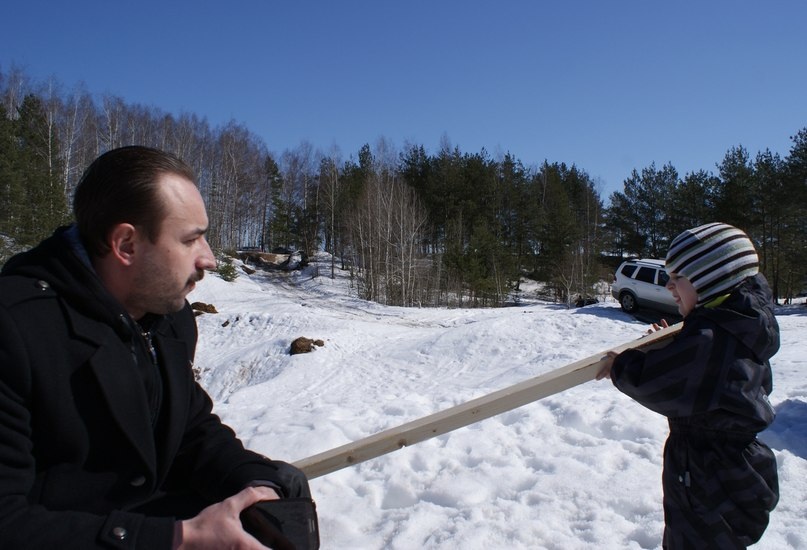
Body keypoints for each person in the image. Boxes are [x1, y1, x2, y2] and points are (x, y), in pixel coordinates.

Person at [0, 146, 311, 549]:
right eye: (191, 239)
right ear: (126, 244)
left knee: (284, 488)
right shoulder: (16, 328)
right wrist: (177, 539)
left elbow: (188, 429)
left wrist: (253, 482)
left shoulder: (166, 316)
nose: (209, 259)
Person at [597, 222, 780, 549]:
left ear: (711, 281)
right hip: (725, 463)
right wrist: (672, 347)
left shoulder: (712, 339)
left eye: (678, 277)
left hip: (711, 472)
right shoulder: (736, 325)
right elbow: (701, 370)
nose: (668, 285)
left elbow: (661, 382)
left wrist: (621, 365)